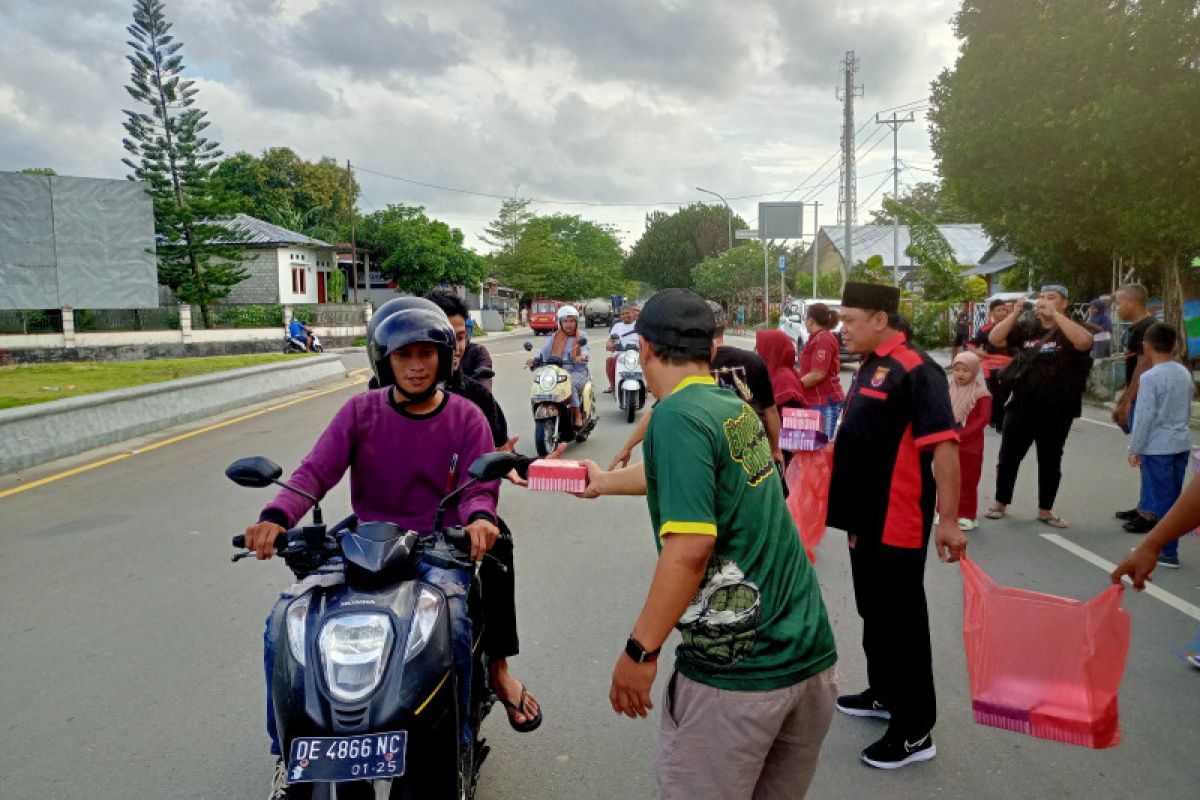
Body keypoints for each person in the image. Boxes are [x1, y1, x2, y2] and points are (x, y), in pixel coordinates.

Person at [574, 288, 838, 798]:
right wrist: (604, 481)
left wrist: (640, 651)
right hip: (810, 662)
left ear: (644, 348)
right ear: (711, 351)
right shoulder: (727, 403)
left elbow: (689, 549)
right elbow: (685, 475)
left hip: (741, 679)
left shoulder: (676, 415)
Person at [243, 301, 501, 796]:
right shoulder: (360, 412)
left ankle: (457, 746)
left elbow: (478, 489)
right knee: (285, 621)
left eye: (427, 353)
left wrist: (480, 520)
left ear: (445, 359)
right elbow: (313, 473)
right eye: (404, 355)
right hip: (364, 546)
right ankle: (289, 752)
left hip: (437, 551)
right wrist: (275, 519)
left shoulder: (467, 417)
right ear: (385, 361)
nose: (417, 365)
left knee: (457, 621)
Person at [826, 282, 966, 770]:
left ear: (880, 319)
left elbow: (944, 448)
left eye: (850, 320)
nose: (843, 329)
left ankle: (914, 730)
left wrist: (948, 520)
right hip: (864, 520)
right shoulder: (871, 363)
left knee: (902, 624)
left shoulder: (915, 369)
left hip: (897, 521)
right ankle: (884, 693)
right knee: (873, 612)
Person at [424, 290, 546, 729]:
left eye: (458, 337)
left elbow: (498, 454)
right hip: (391, 526)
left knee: (498, 548)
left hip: (459, 519)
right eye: (439, 338)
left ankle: (498, 670)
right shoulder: (372, 400)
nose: (451, 349)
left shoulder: (475, 398)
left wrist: (521, 466)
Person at [608, 300, 784, 470]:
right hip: (749, 452)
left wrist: (627, 447)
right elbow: (771, 411)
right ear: (724, 324)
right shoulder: (752, 361)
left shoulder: (688, 367)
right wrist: (775, 450)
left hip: (701, 453)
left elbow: (657, 410)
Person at [985, 285, 1093, 528]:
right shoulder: (1027, 329)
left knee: (1050, 459)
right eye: (1042, 298)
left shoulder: (1071, 328)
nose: (1044, 302)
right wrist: (1015, 312)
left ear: (1064, 303)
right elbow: (995, 338)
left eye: (1051, 298)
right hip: (1022, 404)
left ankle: (1045, 510)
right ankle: (1000, 502)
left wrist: (1056, 316)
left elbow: (1084, 343)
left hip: (1058, 409)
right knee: (1008, 456)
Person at [1122, 323, 1194, 561]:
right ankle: (1165, 546)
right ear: (1174, 345)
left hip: (1157, 446)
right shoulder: (1183, 372)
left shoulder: (1150, 377)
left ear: (1147, 345)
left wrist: (1135, 447)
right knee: (1174, 498)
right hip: (1180, 442)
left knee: (1163, 499)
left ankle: (1167, 551)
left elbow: (1143, 417)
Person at [1113, 284, 1157, 529]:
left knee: (1148, 453)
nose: (1118, 308)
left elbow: (1142, 367)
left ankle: (1150, 512)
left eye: (1119, 303)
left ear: (1132, 302)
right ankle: (1144, 504)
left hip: (1144, 397)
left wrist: (1127, 401)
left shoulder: (1148, 328)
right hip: (1136, 395)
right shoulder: (1137, 328)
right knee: (1143, 453)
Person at [950, 352, 992, 531]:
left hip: (970, 445)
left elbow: (983, 419)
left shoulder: (981, 393)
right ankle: (946, 513)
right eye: (956, 369)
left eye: (965, 370)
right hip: (948, 443)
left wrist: (962, 434)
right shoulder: (949, 388)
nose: (960, 374)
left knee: (967, 481)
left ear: (974, 371)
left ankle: (967, 515)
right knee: (947, 479)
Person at [528, 304, 590, 428]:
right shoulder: (555, 336)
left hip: (577, 371)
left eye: (572, 321)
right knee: (542, 383)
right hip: (556, 371)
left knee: (569, 384)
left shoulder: (581, 336)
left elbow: (585, 352)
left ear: (576, 322)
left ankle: (577, 414)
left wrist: (581, 357)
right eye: (565, 321)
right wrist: (534, 360)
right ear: (560, 322)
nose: (569, 324)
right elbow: (544, 351)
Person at [796, 303, 845, 440]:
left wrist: (795, 386)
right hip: (815, 400)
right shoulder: (817, 338)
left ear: (811, 320)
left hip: (824, 401)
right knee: (810, 446)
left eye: (806, 319)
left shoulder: (823, 339)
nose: (805, 322)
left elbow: (818, 374)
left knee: (821, 448)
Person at [605, 304, 640, 393]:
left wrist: (640, 348)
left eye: (627, 313)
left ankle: (648, 385)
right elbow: (610, 340)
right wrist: (609, 345)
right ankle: (613, 387)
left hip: (636, 354)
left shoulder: (639, 326)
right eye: (622, 314)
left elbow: (645, 341)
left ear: (632, 313)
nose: (625, 316)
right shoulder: (617, 326)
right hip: (619, 354)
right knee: (609, 361)